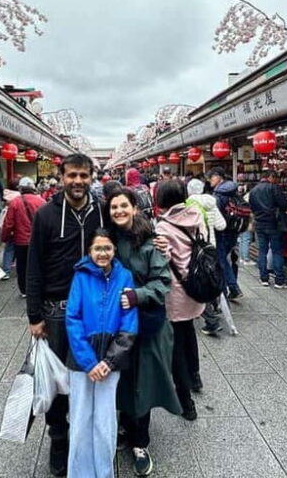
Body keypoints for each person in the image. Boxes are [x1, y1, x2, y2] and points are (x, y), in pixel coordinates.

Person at [26, 153, 105, 477]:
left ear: (91, 177)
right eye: (72, 175)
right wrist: (34, 316)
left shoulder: (101, 211)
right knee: (58, 380)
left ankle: (90, 432)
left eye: (83, 175)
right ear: (62, 177)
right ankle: (58, 437)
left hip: (95, 309)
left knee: (92, 373)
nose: (78, 181)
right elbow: (33, 266)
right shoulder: (45, 215)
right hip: (56, 311)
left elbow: (127, 237)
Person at [107, 188, 181, 477]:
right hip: (115, 325)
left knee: (143, 382)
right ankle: (126, 427)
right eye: (113, 207)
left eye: (123, 206)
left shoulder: (151, 242)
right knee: (122, 379)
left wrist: (137, 295)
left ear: (135, 208)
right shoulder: (106, 240)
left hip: (147, 323)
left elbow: (162, 282)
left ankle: (141, 442)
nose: (119, 211)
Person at [66, 229, 138, 478]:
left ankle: (104, 473)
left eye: (107, 248)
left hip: (111, 359)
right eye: (98, 248)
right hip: (81, 360)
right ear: (89, 251)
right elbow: (72, 318)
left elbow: (129, 322)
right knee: (80, 419)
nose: (103, 253)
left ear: (114, 250)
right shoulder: (80, 275)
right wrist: (89, 362)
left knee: (105, 421)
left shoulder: (125, 276)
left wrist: (110, 360)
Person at [153, 179, 206, 421]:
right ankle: (195, 377)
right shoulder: (197, 215)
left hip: (176, 291)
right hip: (196, 285)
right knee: (189, 331)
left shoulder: (163, 226)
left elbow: (162, 260)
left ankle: (186, 401)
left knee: (175, 344)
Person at [186, 178, 227, 337]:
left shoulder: (189, 205)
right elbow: (221, 225)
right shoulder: (211, 203)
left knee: (199, 280)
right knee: (210, 276)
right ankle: (215, 306)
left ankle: (211, 318)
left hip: (197, 248)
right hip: (211, 247)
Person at [2, 176, 45, 297]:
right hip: (38, 240)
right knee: (38, 264)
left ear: (20, 189)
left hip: (21, 241)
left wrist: (4, 237)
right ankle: (39, 287)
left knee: (22, 266)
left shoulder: (15, 203)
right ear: (32, 188)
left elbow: (8, 223)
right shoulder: (41, 202)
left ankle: (24, 290)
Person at [248, 170, 287, 288]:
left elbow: (251, 207)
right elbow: (283, 205)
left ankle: (264, 278)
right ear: (270, 177)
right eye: (275, 177)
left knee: (262, 251)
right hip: (274, 224)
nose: (276, 180)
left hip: (259, 223)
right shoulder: (274, 188)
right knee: (277, 251)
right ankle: (279, 280)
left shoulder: (253, 190)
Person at [208, 167, 243, 300]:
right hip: (234, 230)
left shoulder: (219, 194)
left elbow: (216, 214)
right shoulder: (232, 189)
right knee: (231, 258)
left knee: (221, 259)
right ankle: (231, 286)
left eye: (211, 177)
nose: (210, 180)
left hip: (223, 231)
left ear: (218, 177)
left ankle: (232, 287)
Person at [0, 179, 21, 280]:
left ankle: (6, 271)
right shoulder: (19, 197)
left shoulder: (6, 195)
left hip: (8, 225)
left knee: (8, 249)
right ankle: (19, 269)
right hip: (18, 226)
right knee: (20, 249)